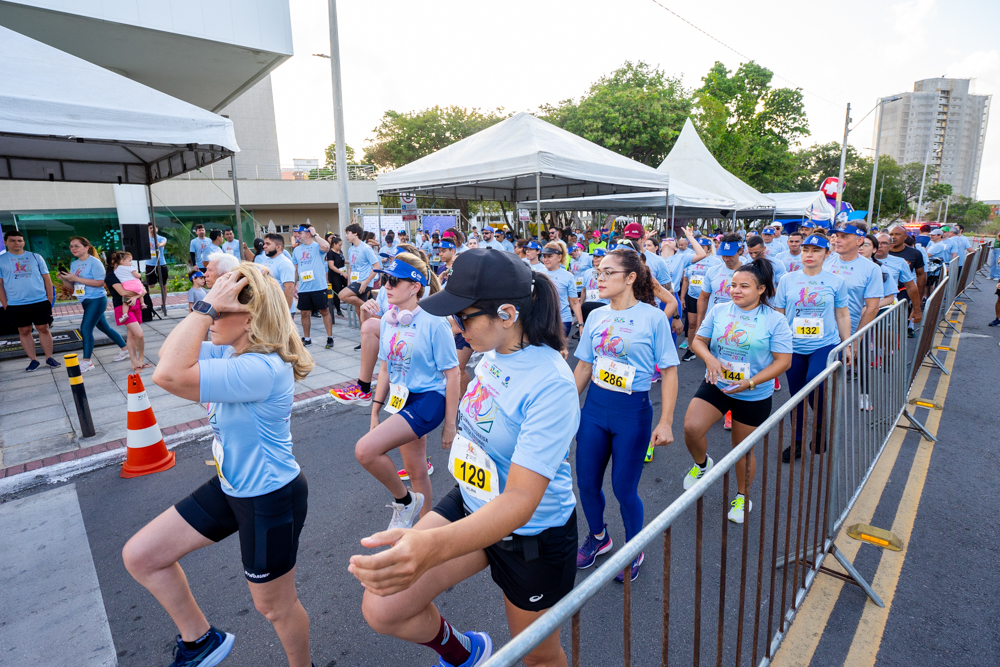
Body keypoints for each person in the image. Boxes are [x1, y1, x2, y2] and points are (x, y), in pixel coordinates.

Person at [352, 249, 578, 667]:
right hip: (472, 501)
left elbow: (521, 501)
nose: (455, 326)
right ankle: (466, 653)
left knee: (537, 657)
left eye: (464, 316)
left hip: (531, 536)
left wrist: (429, 546)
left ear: (507, 313)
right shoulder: (492, 352)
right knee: (384, 607)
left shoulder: (552, 384)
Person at [123, 264, 315, 667]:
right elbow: (167, 355)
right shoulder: (231, 350)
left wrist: (204, 308)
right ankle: (200, 641)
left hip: (269, 496)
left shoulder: (261, 368)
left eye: (220, 312)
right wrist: (207, 306)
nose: (210, 318)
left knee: (275, 607)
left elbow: (168, 375)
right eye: (209, 309)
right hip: (232, 487)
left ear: (250, 319)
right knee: (142, 555)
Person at [573, 247, 678, 581]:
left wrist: (665, 421)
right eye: (598, 272)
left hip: (632, 412)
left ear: (631, 277)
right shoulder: (596, 315)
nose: (598, 278)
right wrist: (564, 407)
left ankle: (634, 547)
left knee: (623, 488)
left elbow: (672, 372)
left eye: (607, 273)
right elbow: (585, 365)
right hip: (595, 408)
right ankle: (600, 538)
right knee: (587, 483)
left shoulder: (654, 317)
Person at [681, 259, 793, 524]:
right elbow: (699, 340)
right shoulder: (720, 310)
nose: (736, 290)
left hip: (752, 393)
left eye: (744, 286)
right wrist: (708, 358)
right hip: (717, 383)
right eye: (732, 285)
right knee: (691, 428)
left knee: (741, 451)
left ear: (762, 289)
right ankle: (702, 465)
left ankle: (743, 496)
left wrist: (751, 382)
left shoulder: (775, 320)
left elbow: (783, 361)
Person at [355, 252, 459, 532]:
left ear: (415, 286)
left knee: (365, 450)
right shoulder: (390, 319)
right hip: (402, 397)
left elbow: (453, 374)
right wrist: (375, 410)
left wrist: (450, 425)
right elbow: (387, 368)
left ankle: (405, 503)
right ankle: (427, 532)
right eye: (384, 280)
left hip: (429, 400)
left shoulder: (435, 322)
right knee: (415, 471)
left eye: (393, 281)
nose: (385, 286)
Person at [773, 235, 851, 460]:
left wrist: (847, 345)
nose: (809, 254)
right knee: (795, 395)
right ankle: (796, 441)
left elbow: (842, 314)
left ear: (827, 254)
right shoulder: (788, 280)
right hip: (793, 346)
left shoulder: (836, 281)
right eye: (806, 249)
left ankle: (819, 427)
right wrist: (776, 344)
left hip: (824, 344)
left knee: (815, 381)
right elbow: (779, 313)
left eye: (816, 250)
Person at [695, 234, 745, 430]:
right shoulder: (713, 271)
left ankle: (731, 411)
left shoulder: (750, 271)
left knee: (734, 364)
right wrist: (700, 323)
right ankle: (717, 404)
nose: (726, 258)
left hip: (740, 328)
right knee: (714, 365)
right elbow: (703, 297)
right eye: (723, 254)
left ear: (741, 251)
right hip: (716, 326)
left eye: (731, 254)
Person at [58, 236, 129, 372]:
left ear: (86, 247)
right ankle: (126, 350)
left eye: (77, 246)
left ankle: (86, 362)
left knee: (85, 329)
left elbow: (101, 283)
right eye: (71, 246)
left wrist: (76, 278)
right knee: (105, 328)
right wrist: (64, 279)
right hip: (85, 300)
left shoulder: (95, 263)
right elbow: (72, 285)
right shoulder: (74, 264)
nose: (73, 248)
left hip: (97, 299)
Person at [0, 230, 59, 371]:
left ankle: (49, 358)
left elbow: (46, 278)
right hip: (16, 303)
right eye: (13, 240)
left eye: (19, 240)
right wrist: (5, 304)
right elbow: (0, 285)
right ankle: (33, 360)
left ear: (24, 242)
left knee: (43, 328)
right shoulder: (1, 260)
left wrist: (49, 298)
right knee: (24, 330)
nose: (16, 243)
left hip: (39, 300)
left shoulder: (35, 257)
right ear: (5, 242)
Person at [823, 223, 883, 333]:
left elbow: (872, 308)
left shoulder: (872, 269)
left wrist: (857, 339)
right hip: (820, 331)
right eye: (837, 236)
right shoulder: (825, 261)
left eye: (844, 237)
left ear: (859, 241)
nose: (837, 240)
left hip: (847, 332)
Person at [106, 251, 150, 373]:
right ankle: (140, 358)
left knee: (131, 336)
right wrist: (139, 294)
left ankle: (134, 363)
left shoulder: (129, 272)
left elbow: (144, 290)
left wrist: (137, 296)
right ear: (114, 262)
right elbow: (123, 293)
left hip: (135, 305)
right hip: (122, 307)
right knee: (139, 334)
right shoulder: (111, 276)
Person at [290, 225, 333, 348]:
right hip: (304, 288)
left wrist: (316, 235)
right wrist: (293, 286)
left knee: (324, 311)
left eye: (300, 233)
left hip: (319, 286)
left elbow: (326, 247)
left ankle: (330, 337)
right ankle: (307, 338)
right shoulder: (297, 250)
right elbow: (296, 269)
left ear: (308, 234)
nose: (297, 235)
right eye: (297, 233)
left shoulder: (317, 246)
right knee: (304, 313)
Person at [680, 238, 721, 361]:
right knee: (692, 324)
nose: (700, 248)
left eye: (703, 246)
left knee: (709, 325)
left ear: (709, 248)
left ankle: (710, 352)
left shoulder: (715, 261)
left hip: (708, 297)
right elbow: (686, 280)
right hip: (692, 296)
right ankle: (691, 349)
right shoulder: (691, 260)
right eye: (698, 246)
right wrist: (682, 297)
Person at [875, 233, 922, 331]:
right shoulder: (863, 260)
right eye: (877, 242)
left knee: (884, 337)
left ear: (891, 246)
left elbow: (911, 286)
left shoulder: (900, 262)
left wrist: (916, 310)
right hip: (863, 305)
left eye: (884, 243)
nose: (879, 246)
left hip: (887, 306)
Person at [339, 223, 383, 329]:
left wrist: (366, 281)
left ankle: (370, 306)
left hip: (363, 282)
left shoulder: (366, 249)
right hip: (354, 282)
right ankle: (365, 339)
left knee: (342, 295)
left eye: (348, 233)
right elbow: (351, 267)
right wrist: (348, 284)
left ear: (355, 234)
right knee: (361, 314)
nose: (346, 236)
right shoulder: (351, 249)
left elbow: (377, 266)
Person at [540, 242, 583, 336]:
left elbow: (575, 302)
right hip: (543, 320)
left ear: (559, 257)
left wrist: (581, 324)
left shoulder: (568, 276)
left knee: (561, 350)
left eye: (549, 256)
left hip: (562, 320)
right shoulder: (539, 274)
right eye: (544, 256)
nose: (546, 260)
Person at [254, 234, 297, 309]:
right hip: (268, 308)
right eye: (264, 244)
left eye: (268, 244)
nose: (264, 246)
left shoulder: (284, 263)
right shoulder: (265, 262)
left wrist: (285, 311)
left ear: (278, 247)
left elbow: (289, 289)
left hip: (280, 310)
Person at [326, 234, 348, 317]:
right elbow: (331, 266)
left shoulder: (340, 252)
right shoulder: (330, 253)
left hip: (343, 273)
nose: (340, 247)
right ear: (334, 244)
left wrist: (349, 261)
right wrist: (341, 273)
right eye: (339, 245)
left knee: (346, 287)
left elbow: (341, 260)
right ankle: (338, 309)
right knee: (337, 291)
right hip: (335, 275)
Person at [146, 222, 169, 288]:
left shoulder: (161, 238)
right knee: (151, 285)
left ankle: (164, 298)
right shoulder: (146, 238)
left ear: (157, 229)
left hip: (161, 263)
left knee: (163, 284)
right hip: (150, 263)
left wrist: (160, 244)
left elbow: (163, 243)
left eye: (154, 228)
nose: (152, 229)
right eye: (150, 228)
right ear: (148, 229)